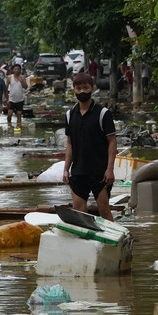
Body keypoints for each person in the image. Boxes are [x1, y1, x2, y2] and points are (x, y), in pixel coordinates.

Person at [63, 72, 117, 220]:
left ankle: (112, 234)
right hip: (78, 171)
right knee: (79, 210)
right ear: (74, 90)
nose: (82, 91)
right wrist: (66, 169)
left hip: (100, 171)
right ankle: (85, 235)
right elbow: (70, 143)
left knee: (103, 209)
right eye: (78, 88)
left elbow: (112, 141)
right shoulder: (69, 115)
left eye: (85, 88)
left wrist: (110, 169)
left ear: (92, 88)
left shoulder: (103, 114)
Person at [5, 63, 28, 130]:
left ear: (20, 70)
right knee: (9, 114)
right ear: (13, 70)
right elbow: (5, 88)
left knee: (19, 114)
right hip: (11, 99)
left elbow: (26, 87)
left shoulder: (22, 77)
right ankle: (9, 125)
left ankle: (19, 128)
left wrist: (22, 81)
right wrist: (5, 98)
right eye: (15, 69)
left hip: (20, 99)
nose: (17, 70)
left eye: (18, 69)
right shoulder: (9, 77)